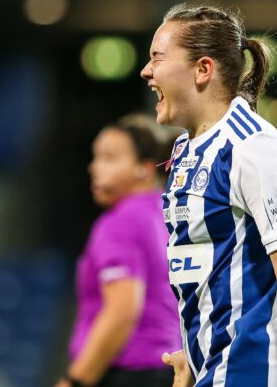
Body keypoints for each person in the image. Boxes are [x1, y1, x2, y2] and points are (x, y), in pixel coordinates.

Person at [139, 4, 277, 386]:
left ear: (203, 69)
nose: (146, 71)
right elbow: (205, 270)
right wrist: (191, 353)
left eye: (157, 58)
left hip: (256, 373)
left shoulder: (256, 149)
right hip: (212, 371)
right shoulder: (186, 151)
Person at [56, 114, 182, 387]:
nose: (94, 167)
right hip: (169, 370)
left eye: (110, 158)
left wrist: (74, 381)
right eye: (96, 157)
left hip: (125, 374)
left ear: (145, 168)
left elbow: (122, 311)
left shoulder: (121, 222)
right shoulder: (167, 215)